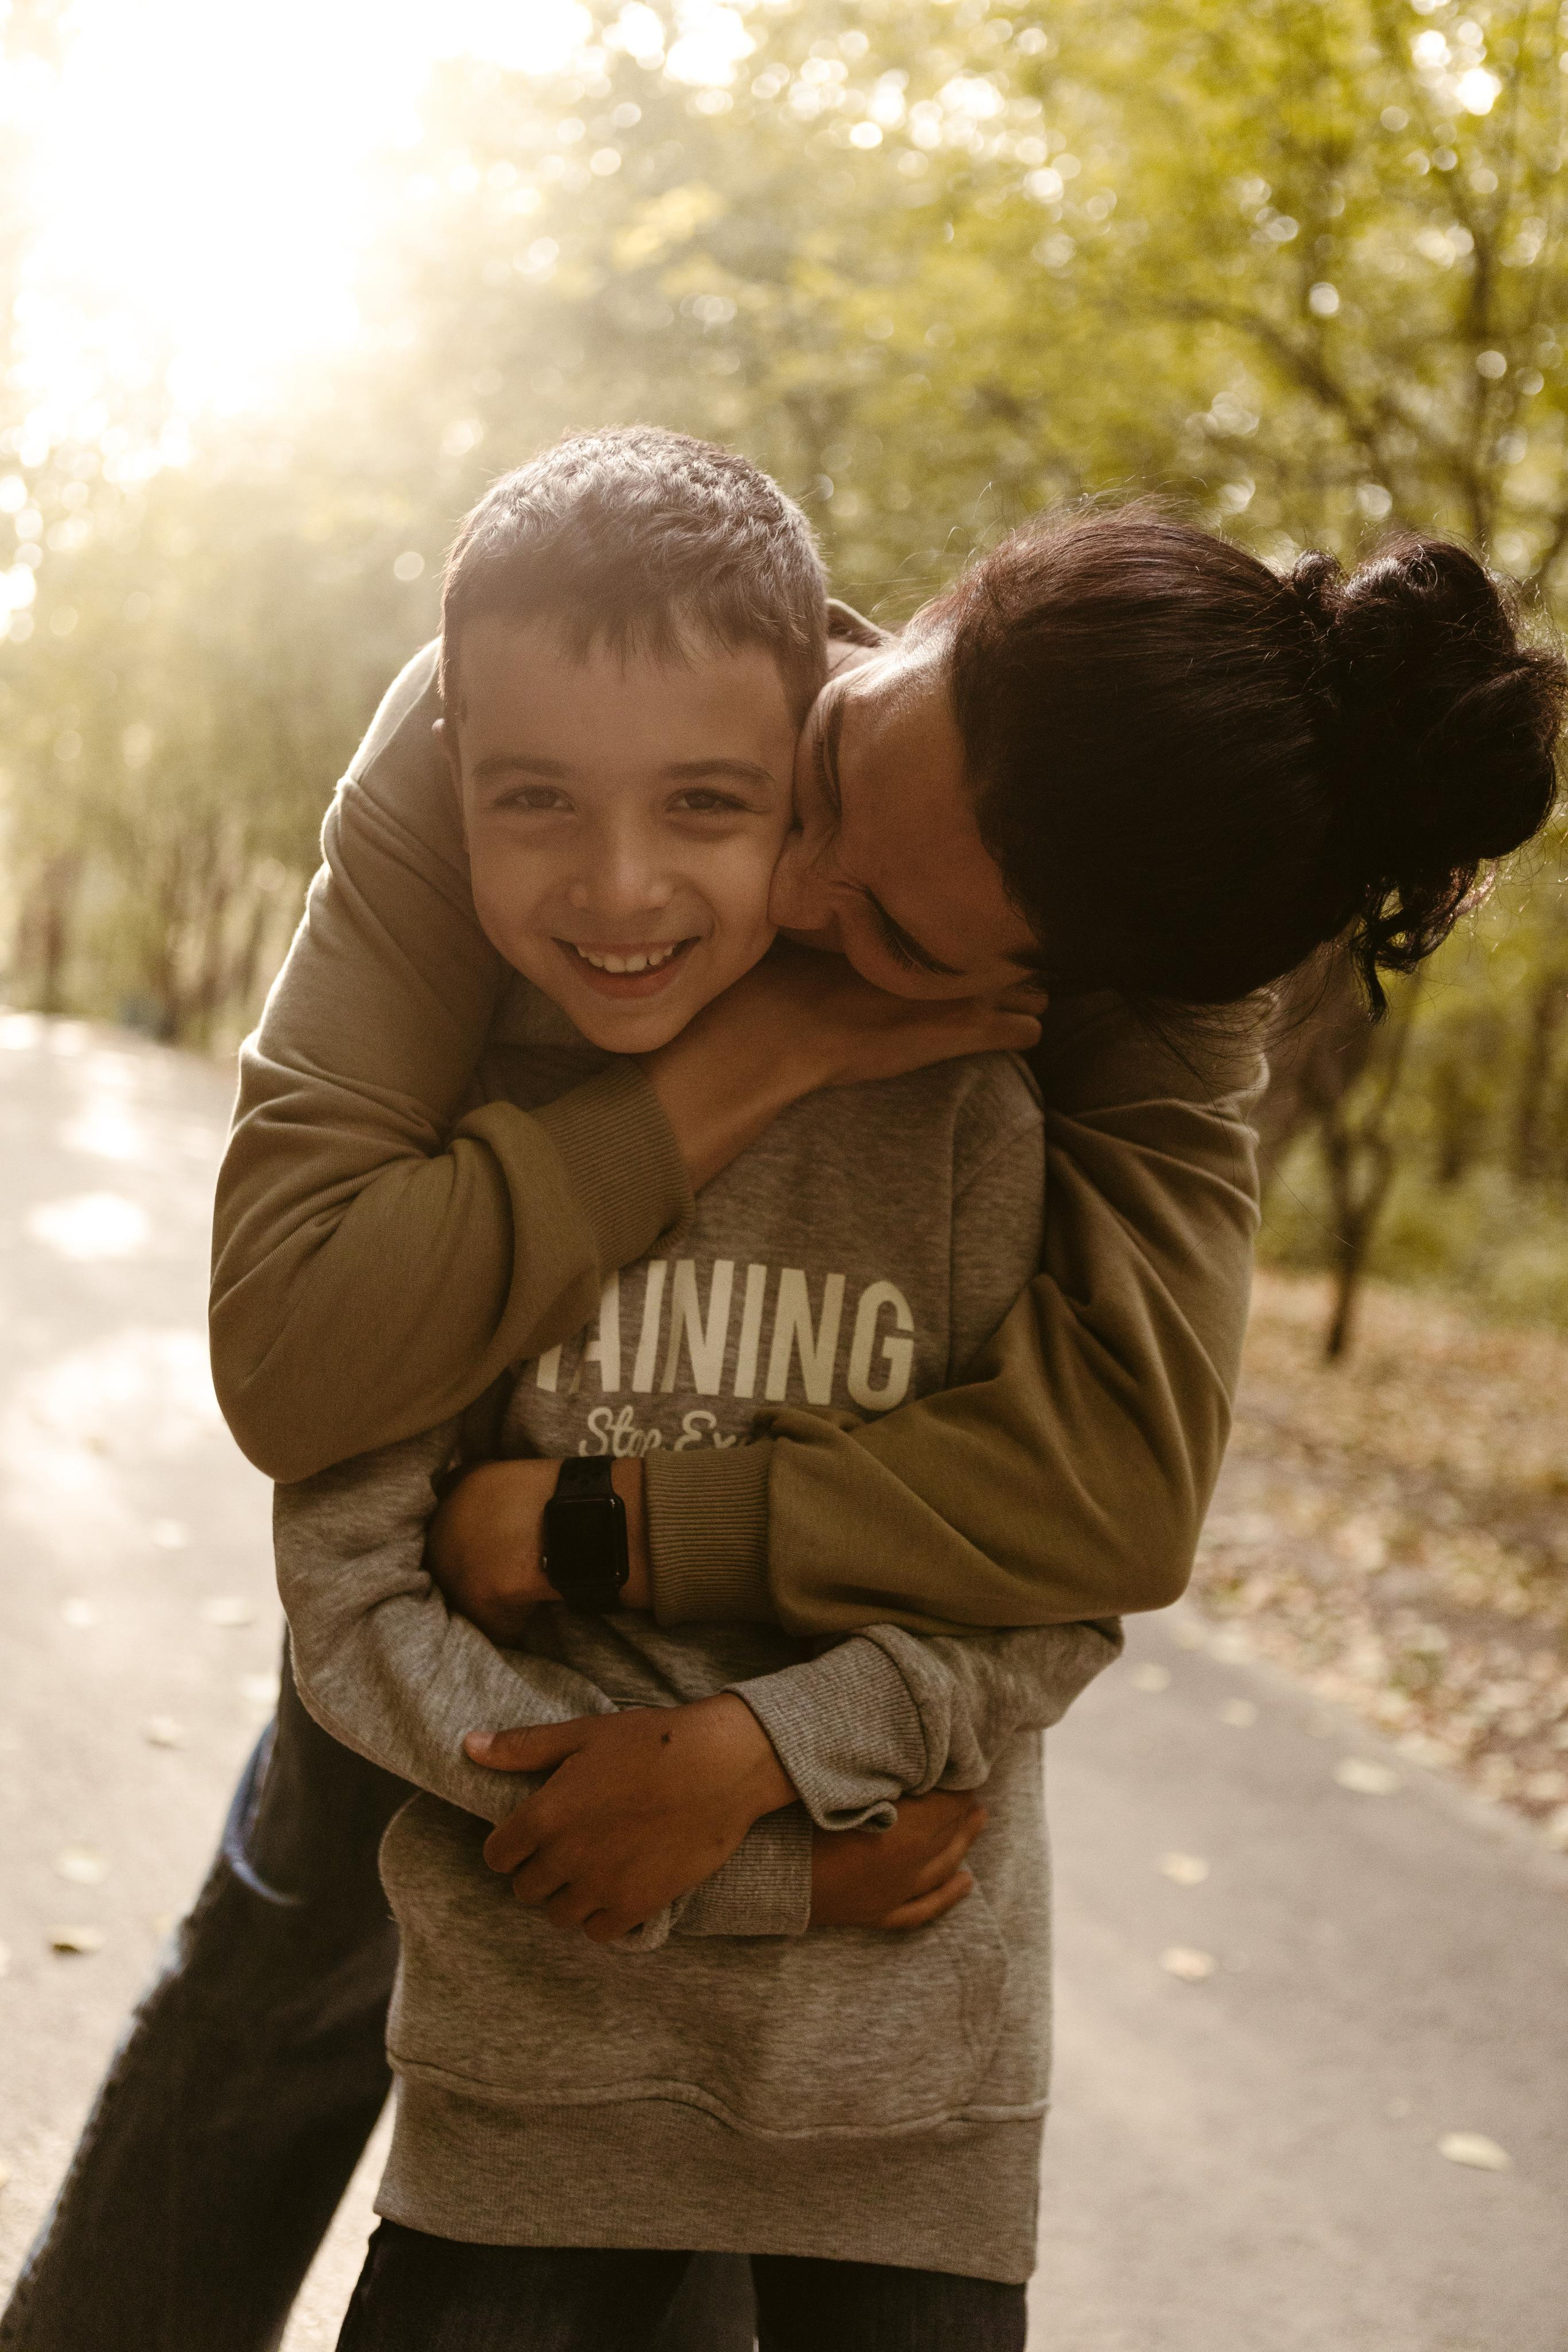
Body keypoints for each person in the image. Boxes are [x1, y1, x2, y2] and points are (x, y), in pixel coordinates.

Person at [5, 431, 1556, 2350]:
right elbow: (300, 1343)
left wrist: (648, 1582)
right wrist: (764, 1051)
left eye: (898, 932)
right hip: (446, 1594)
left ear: (1085, 987)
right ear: (933, 627)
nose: (785, 884)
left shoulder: (1171, 958)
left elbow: (1125, 1483)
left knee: (699, 2205)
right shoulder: (520, 728)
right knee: (270, 2008)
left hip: (799, 1679)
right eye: (832, 771)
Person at [274, 439, 1123, 2345]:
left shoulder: (968, 1122)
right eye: (536, 803)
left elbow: (1055, 1575)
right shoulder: (462, 1147)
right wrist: (773, 1872)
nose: (621, 883)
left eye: (708, 802)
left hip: (902, 2110)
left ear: (813, 783)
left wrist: (773, 1765)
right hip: (530, 2085)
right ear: (454, 788)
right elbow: (350, 1600)